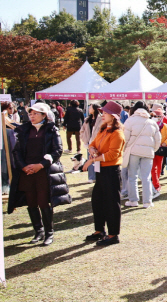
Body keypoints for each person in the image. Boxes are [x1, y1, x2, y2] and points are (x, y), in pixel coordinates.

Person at [6, 102, 70, 246]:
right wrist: (23, 167)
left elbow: (57, 151)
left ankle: (49, 232)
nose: (32, 116)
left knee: (43, 201)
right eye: (30, 113)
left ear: (44, 115)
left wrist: (41, 165)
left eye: (35, 113)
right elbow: (17, 151)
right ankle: (38, 231)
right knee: (31, 202)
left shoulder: (51, 129)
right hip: (27, 172)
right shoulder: (24, 130)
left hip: (43, 171)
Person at [83, 101, 126, 246]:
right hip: (101, 169)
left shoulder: (118, 133)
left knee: (112, 203)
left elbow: (113, 154)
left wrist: (92, 160)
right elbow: (92, 143)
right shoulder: (103, 130)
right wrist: (92, 150)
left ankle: (113, 234)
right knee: (97, 200)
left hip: (111, 171)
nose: (102, 115)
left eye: (106, 113)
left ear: (113, 117)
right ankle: (99, 230)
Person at [122, 102, 161, 208]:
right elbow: (158, 140)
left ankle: (133, 200)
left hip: (133, 152)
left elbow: (124, 138)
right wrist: (153, 149)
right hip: (148, 153)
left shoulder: (129, 121)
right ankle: (147, 201)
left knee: (132, 176)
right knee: (146, 177)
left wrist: (125, 149)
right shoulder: (151, 122)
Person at [150, 104, 167, 189]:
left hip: (161, 148)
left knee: (160, 167)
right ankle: (156, 184)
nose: (158, 118)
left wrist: (166, 142)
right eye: (156, 116)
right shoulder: (150, 125)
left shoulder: (165, 125)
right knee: (153, 168)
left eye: (160, 116)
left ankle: (157, 181)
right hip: (152, 148)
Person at [81, 104, 102, 183]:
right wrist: (85, 139)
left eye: (90, 107)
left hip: (98, 142)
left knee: (97, 161)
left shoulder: (101, 119)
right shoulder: (87, 119)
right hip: (89, 143)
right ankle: (91, 177)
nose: (89, 109)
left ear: (95, 109)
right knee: (90, 159)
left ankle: (98, 177)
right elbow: (82, 130)